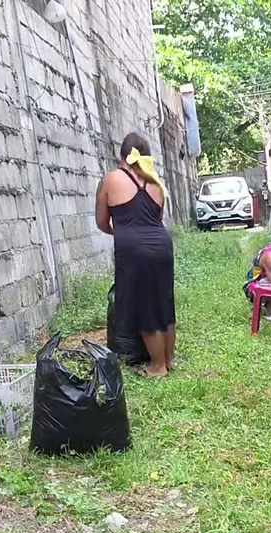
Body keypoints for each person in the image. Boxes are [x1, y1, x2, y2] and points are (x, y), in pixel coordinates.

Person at [95, 132, 176, 377]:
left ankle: (157, 366)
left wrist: (122, 234)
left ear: (122, 156)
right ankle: (169, 359)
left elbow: (101, 221)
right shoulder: (155, 181)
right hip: (162, 245)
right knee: (164, 302)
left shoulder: (111, 178)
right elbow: (156, 218)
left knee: (143, 306)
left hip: (133, 250)